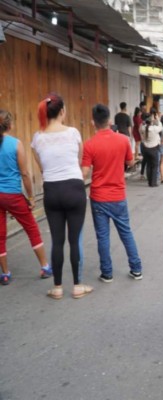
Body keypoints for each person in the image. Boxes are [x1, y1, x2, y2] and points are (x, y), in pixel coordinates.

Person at [31, 93, 92, 299]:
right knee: (74, 241)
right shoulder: (73, 132)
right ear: (63, 112)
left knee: (57, 241)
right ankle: (77, 286)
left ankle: (57, 288)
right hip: (74, 188)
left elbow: (41, 167)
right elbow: (79, 159)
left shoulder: (37, 137)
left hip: (52, 190)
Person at [81, 104, 143, 283]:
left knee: (102, 236)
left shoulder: (89, 144)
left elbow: (84, 173)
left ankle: (107, 273)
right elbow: (131, 163)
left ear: (93, 122)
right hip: (118, 196)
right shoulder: (123, 140)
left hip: (99, 197)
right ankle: (136, 269)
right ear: (109, 120)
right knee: (126, 232)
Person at [0, 110, 51, 285]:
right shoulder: (15, 144)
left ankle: (5, 273)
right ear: (10, 125)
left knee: (0, 235)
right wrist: (30, 197)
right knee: (31, 228)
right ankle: (44, 266)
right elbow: (24, 173)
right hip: (13, 195)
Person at [141, 112, 162, 187]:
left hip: (145, 148)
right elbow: (160, 127)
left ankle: (149, 181)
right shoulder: (154, 129)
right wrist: (158, 119)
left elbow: (141, 127)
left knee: (149, 165)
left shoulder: (143, 128)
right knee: (154, 166)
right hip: (153, 148)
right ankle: (153, 183)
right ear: (151, 121)